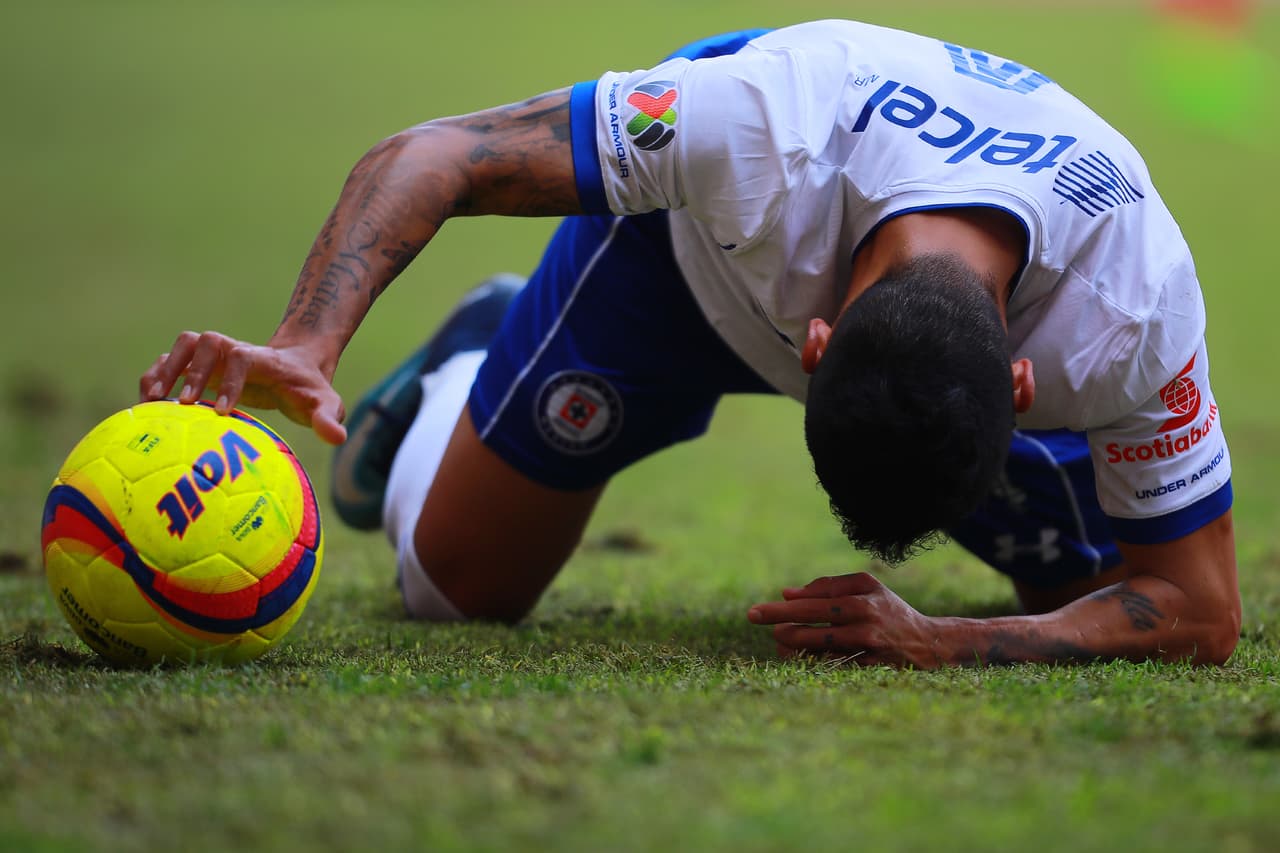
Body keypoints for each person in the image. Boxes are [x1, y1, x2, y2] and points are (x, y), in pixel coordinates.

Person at [139, 21, 1241, 667]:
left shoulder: (1134, 307)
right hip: (685, 262)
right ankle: (474, 357)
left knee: (1093, 581)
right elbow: (436, 154)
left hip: (910, 342)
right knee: (454, 587)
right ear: (814, 342)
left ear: (1024, 384)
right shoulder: (756, 124)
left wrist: (938, 637)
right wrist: (307, 341)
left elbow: (1200, 609)